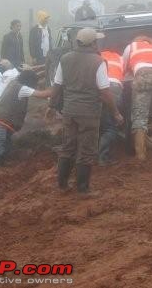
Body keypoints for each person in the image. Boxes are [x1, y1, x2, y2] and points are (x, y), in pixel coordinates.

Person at [51, 28, 123, 193]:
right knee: (86, 149)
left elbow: (57, 85)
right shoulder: (98, 61)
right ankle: (82, 189)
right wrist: (116, 113)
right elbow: (104, 91)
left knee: (68, 146)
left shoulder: (65, 59)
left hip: (69, 111)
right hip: (89, 113)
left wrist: (51, 106)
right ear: (93, 43)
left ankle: (62, 185)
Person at [0, 70, 52, 175]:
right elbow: (43, 94)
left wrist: (44, 70)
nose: (36, 85)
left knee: (6, 146)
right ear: (30, 81)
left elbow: (30, 75)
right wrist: (59, 85)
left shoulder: (14, 83)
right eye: (35, 82)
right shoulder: (22, 88)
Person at [123, 35, 152, 161]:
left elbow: (125, 66)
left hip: (143, 74)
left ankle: (141, 154)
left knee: (140, 116)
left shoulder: (131, 46)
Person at [97, 50, 124, 166]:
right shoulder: (120, 57)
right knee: (110, 127)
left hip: (97, 88)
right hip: (112, 87)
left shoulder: (99, 56)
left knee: (101, 123)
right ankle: (103, 158)